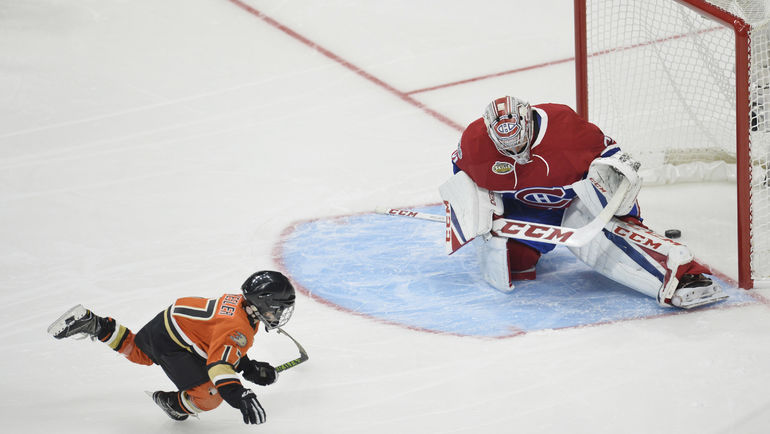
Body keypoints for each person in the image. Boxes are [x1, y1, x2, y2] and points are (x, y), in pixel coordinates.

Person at [439, 95, 728, 309]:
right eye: (507, 148)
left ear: (528, 122)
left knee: (610, 238)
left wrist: (613, 199)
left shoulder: (565, 128)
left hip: (575, 200)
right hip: (525, 209)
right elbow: (463, 179)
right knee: (514, 263)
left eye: (520, 143)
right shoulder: (475, 143)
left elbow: (612, 160)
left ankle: (685, 274)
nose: (517, 153)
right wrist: (482, 214)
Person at [47, 270, 296, 424]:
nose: (278, 314)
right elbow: (219, 364)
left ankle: (95, 324)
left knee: (138, 352)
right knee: (209, 396)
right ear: (262, 303)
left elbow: (218, 342)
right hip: (172, 341)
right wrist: (239, 394)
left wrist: (248, 367)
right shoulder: (239, 328)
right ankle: (172, 403)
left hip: (171, 323)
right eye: (277, 309)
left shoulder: (240, 306)